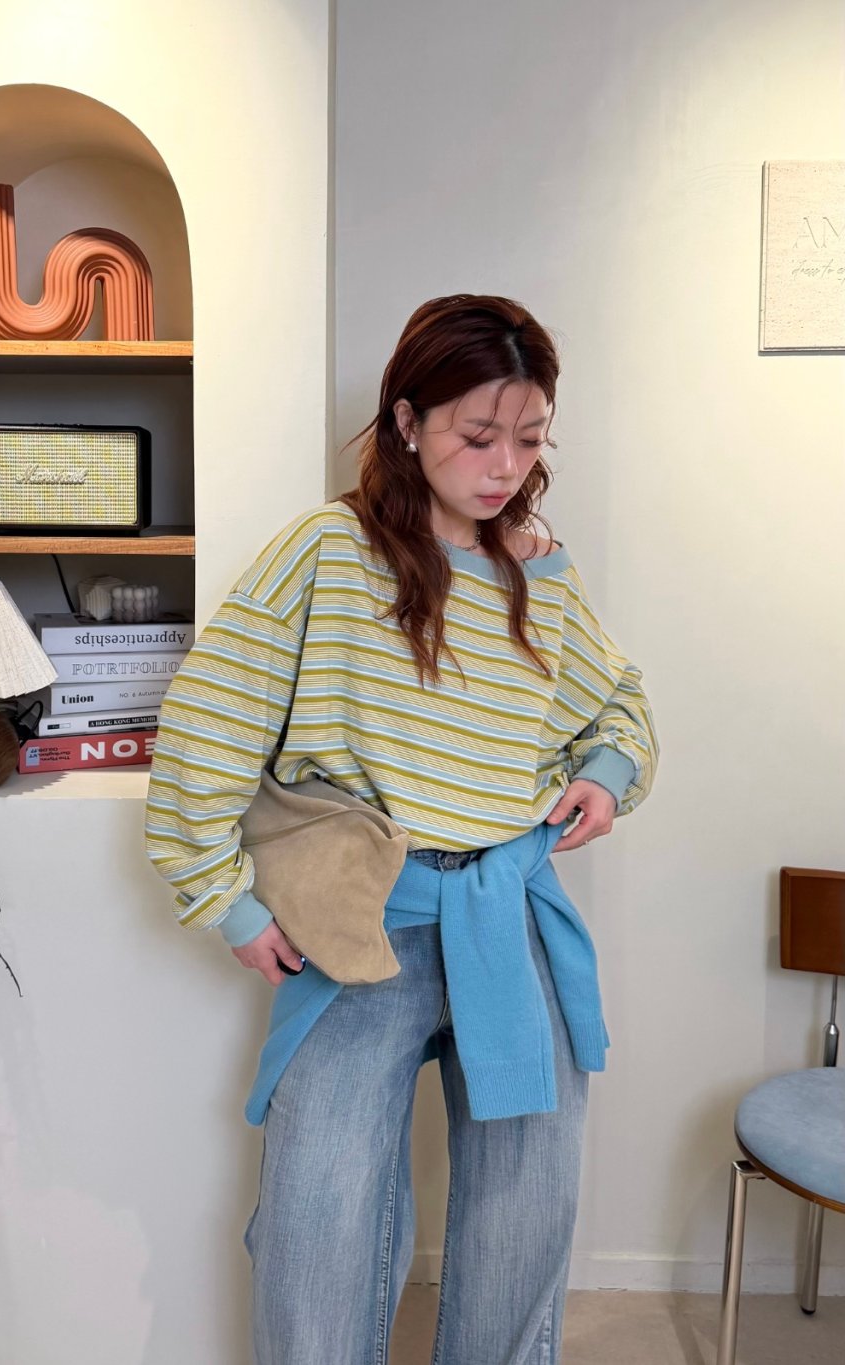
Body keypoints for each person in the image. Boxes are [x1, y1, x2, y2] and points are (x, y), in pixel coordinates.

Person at [144, 293, 659, 1364]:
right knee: (316, 1230)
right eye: (479, 434)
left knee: (523, 1222)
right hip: (360, 923)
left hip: (508, 917)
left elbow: (618, 703)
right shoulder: (327, 552)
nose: (504, 464)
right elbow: (208, 719)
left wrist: (607, 775)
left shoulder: (539, 571)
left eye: (529, 438)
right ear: (407, 420)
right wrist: (224, 902)